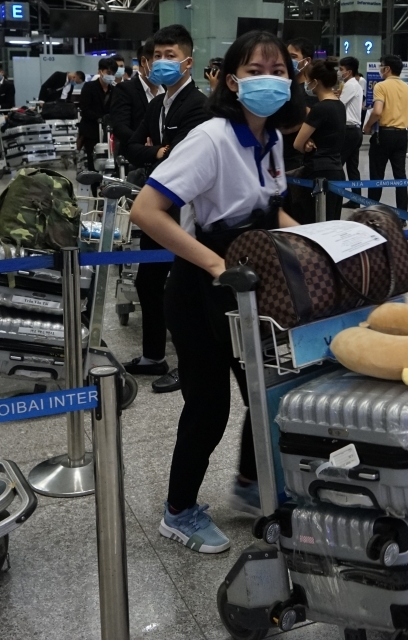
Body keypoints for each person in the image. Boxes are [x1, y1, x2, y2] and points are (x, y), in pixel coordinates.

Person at [129, 29, 304, 554]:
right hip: (201, 285)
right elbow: (146, 211)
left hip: (250, 284)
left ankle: (253, 484)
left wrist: (314, 244)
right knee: (209, 407)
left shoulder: (271, 139)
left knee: (268, 391)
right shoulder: (211, 137)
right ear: (232, 80)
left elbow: (270, 209)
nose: (268, 80)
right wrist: (214, 264)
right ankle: (178, 511)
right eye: (255, 71)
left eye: (277, 70)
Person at [123, 25, 211, 394]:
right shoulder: (158, 104)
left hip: (187, 210)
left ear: (187, 62)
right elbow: (130, 145)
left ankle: (189, 364)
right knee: (148, 280)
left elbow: (182, 160)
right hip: (158, 207)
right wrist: (156, 152)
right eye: (156, 56)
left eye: (169, 56)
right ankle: (153, 355)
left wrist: (157, 153)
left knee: (184, 290)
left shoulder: (199, 106)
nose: (161, 62)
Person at [294, 58, 346, 220]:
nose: (307, 84)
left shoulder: (320, 108)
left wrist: (306, 144)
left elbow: (297, 144)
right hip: (337, 170)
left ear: (315, 82)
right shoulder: (339, 105)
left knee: (314, 222)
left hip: (317, 171)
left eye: (308, 80)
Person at [362, 55, 408, 214]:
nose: (380, 69)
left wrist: (368, 126)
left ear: (387, 69)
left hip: (384, 135)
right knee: (400, 177)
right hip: (401, 135)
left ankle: (372, 211)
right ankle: (403, 215)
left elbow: (377, 111)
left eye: (381, 66)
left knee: (376, 176)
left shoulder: (381, 86)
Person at [282, 38, 316, 224]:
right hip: (276, 159)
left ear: (306, 61)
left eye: (293, 56)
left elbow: (315, 122)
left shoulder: (311, 91)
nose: (288, 60)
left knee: (297, 215)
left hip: (298, 164)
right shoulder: (281, 87)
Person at [109, 39, 159, 152]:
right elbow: (120, 127)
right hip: (136, 155)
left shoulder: (167, 89)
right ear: (143, 62)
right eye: (157, 61)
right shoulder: (125, 89)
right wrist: (144, 143)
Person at [77, 57, 116, 174]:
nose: (111, 76)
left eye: (113, 73)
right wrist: (99, 118)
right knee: (92, 161)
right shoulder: (89, 87)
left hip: (108, 131)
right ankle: (93, 186)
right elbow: (85, 108)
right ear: (100, 72)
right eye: (108, 72)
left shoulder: (114, 90)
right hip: (91, 130)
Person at [338, 56, 365, 203]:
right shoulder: (356, 84)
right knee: (353, 168)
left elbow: (340, 105)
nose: (339, 72)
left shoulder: (350, 85)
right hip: (356, 131)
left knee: (338, 164)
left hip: (348, 131)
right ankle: (355, 199)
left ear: (348, 72)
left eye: (341, 69)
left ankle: (337, 196)